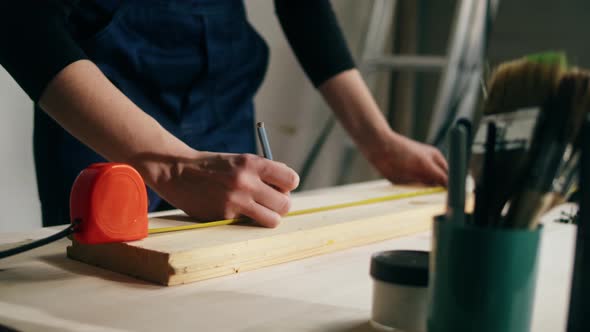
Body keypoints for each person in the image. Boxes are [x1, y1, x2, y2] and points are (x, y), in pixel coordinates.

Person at [0, 0, 448, 228]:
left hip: (224, 103)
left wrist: (378, 140)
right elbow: (19, 19)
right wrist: (170, 164)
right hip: (106, 114)